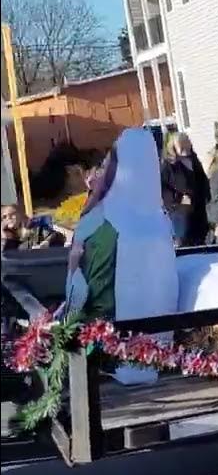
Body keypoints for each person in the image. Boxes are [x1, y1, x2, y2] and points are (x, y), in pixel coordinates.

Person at [62, 128, 180, 385]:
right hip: (156, 351)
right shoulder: (160, 219)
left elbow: (84, 289)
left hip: (108, 350)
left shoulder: (102, 219)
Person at [160, 131, 211, 247]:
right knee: (186, 243)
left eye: (186, 142)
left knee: (200, 242)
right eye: (181, 144)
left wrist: (206, 195)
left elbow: (202, 180)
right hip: (180, 213)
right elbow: (162, 189)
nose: (185, 146)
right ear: (173, 146)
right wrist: (178, 199)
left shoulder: (193, 160)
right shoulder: (168, 166)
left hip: (199, 211)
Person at [1, 204, 66, 252]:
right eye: (4, 217)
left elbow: (58, 235)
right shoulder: (9, 239)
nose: (8, 218)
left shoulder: (40, 224)